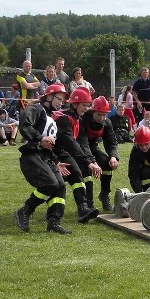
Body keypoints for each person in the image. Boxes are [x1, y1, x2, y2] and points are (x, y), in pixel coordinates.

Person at [13, 86, 72, 235]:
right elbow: (24, 124)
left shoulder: (52, 117)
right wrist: (40, 138)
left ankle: (54, 222)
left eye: (63, 100)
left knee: (60, 186)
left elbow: (49, 145)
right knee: (50, 184)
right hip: (32, 155)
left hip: (46, 157)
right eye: (59, 98)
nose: (61, 103)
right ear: (49, 96)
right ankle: (25, 210)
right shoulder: (37, 109)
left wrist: (56, 161)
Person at [53, 86, 101, 223]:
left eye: (88, 106)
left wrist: (90, 160)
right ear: (74, 104)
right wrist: (88, 162)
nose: (87, 109)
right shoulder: (65, 119)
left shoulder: (75, 119)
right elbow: (71, 143)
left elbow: (81, 143)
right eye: (84, 105)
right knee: (56, 184)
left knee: (76, 174)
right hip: (54, 154)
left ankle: (83, 208)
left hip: (63, 153)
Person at [82, 96, 120, 212]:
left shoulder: (107, 122)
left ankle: (104, 195)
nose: (102, 118)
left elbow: (111, 142)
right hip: (79, 150)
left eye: (104, 115)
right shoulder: (83, 119)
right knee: (87, 171)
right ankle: (88, 203)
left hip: (92, 148)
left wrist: (113, 157)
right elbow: (82, 143)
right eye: (99, 115)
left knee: (107, 164)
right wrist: (92, 162)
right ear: (92, 111)